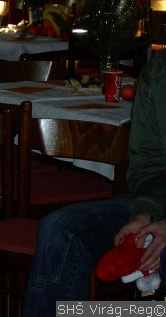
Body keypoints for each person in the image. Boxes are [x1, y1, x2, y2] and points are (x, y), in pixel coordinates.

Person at [22, 49, 166, 316]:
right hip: (159, 202)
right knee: (61, 229)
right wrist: (144, 212)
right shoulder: (159, 70)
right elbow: (148, 163)